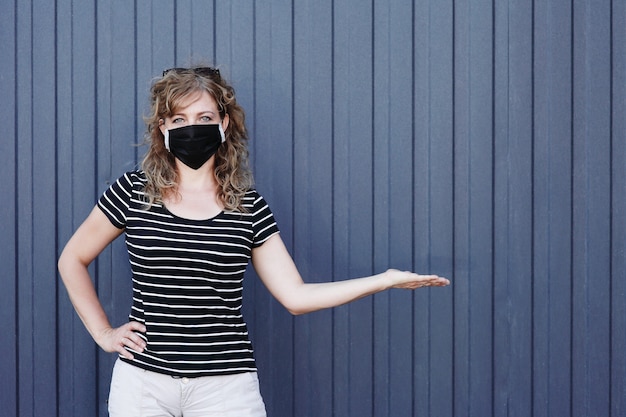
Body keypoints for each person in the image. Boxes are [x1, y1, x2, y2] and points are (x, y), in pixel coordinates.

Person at [58, 65, 450, 417]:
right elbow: (72, 259)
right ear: (163, 127)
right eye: (179, 118)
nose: (191, 127)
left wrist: (384, 279)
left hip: (226, 389)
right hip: (143, 386)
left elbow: (295, 297)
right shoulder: (132, 192)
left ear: (224, 124)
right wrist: (104, 333)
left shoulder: (248, 207)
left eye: (204, 117)